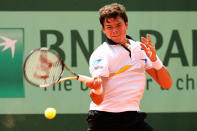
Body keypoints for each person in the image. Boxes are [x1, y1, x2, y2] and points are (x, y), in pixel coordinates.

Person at [85, 3, 172, 131]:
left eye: (118, 25)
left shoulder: (140, 48)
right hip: (104, 119)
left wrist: (154, 60)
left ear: (126, 24)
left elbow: (166, 84)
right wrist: (96, 91)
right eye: (109, 27)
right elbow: (98, 99)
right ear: (103, 29)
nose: (114, 30)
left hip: (132, 117)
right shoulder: (101, 54)